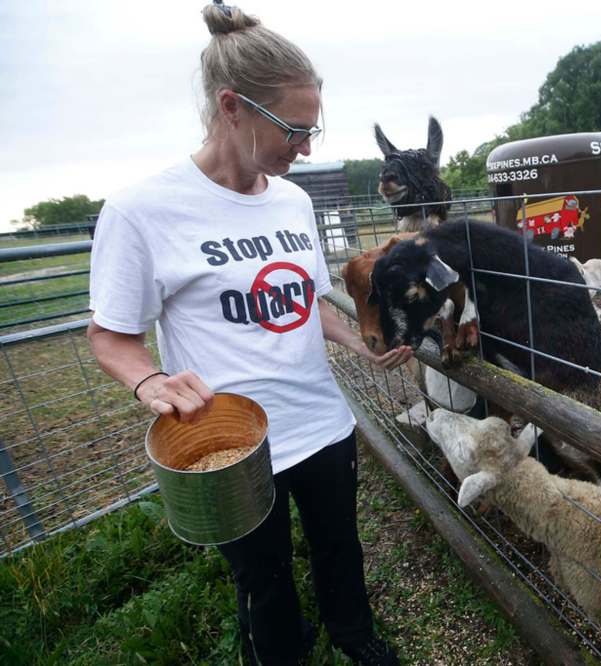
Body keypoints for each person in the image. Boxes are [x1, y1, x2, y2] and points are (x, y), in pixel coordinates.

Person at [86, 3, 411, 664]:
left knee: (339, 544)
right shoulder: (142, 211)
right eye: (294, 130)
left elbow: (303, 302)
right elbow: (110, 336)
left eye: (312, 128)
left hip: (321, 421)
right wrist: (149, 381)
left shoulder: (292, 200)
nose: (307, 148)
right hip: (233, 444)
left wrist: (359, 347)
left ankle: (353, 635)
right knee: (262, 580)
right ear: (232, 107)